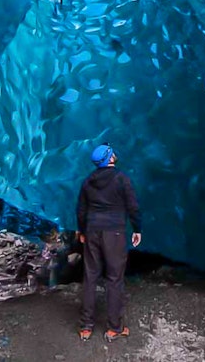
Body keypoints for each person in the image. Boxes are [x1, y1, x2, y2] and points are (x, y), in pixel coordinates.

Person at [76, 143, 142, 342]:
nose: (114, 153)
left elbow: (81, 209)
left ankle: (86, 326)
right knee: (114, 278)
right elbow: (133, 207)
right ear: (109, 158)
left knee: (90, 276)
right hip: (114, 233)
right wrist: (137, 229)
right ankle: (114, 327)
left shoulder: (88, 181)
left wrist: (81, 230)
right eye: (111, 152)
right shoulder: (121, 179)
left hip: (92, 230)